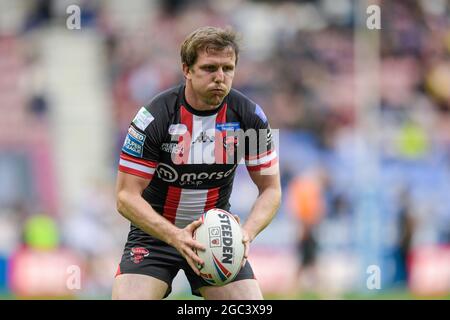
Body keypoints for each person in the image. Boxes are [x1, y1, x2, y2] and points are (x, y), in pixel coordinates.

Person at [112, 26, 281, 300]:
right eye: (209, 68)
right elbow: (125, 196)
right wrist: (174, 236)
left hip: (215, 239)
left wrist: (244, 235)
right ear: (187, 70)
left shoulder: (251, 117)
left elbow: (271, 189)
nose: (220, 77)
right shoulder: (154, 117)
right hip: (154, 236)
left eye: (228, 68)